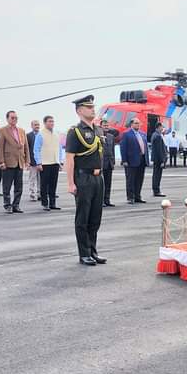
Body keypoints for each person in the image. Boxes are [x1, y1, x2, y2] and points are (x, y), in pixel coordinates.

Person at [65, 95, 107, 266]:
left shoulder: (98, 130)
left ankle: (92, 250)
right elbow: (69, 159)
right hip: (83, 177)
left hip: (99, 178)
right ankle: (84, 254)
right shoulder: (75, 132)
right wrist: (70, 183)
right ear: (79, 111)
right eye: (88, 107)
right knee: (83, 217)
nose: (92, 109)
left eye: (92, 106)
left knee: (95, 217)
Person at [0, 110, 29, 213]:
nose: (14, 119)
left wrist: (27, 160)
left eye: (16, 118)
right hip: (8, 162)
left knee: (19, 186)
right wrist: (1, 161)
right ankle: (7, 205)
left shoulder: (21, 131)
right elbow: (0, 147)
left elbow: (26, 147)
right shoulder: (3, 130)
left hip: (19, 161)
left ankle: (16, 205)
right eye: (12, 118)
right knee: (7, 186)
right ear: (7, 119)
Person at [33, 115, 63, 211]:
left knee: (53, 184)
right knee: (44, 184)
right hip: (45, 163)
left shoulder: (57, 134)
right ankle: (45, 203)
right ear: (45, 123)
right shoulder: (40, 134)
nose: (52, 123)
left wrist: (60, 161)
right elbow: (36, 149)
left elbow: (59, 148)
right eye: (50, 121)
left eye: (53, 121)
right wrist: (38, 162)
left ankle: (53, 203)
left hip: (54, 162)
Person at [119, 118, 149, 204]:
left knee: (139, 179)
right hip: (131, 161)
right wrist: (124, 160)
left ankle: (137, 196)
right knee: (130, 180)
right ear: (131, 124)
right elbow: (123, 147)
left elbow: (145, 147)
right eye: (136, 123)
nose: (138, 125)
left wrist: (147, 159)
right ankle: (130, 197)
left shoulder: (143, 134)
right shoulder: (126, 134)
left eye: (139, 123)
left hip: (142, 160)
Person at [99, 119, 117, 207]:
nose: (106, 127)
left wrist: (113, 161)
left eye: (107, 126)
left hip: (109, 163)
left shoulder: (111, 136)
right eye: (104, 126)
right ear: (101, 126)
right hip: (101, 163)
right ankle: (101, 201)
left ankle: (107, 200)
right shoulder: (97, 136)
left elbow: (112, 150)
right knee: (101, 184)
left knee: (108, 183)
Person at [26, 119, 41, 202]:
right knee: (32, 179)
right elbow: (27, 149)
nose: (37, 126)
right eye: (35, 125)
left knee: (41, 179)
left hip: (41, 162)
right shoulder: (28, 136)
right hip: (32, 161)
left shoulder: (42, 135)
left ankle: (39, 194)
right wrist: (27, 161)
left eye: (38, 124)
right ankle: (32, 194)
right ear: (32, 126)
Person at [150, 125, 167, 197]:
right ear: (157, 128)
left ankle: (155, 190)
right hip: (158, 160)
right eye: (161, 128)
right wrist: (162, 161)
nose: (162, 129)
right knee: (157, 175)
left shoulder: (154, 135)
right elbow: (159, 150)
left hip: (155, 159)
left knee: (155, 175)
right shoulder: (158, 136)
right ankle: (156, 191)